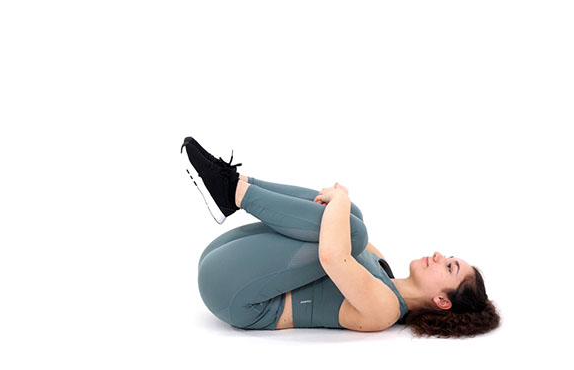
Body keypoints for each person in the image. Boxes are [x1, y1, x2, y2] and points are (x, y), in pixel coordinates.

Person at [182, 137, 500, 337]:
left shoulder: (386, 310)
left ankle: (232, 192)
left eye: (449, 267)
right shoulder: (381, 263)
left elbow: (332, 256)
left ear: (442, 301)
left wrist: (340, 200)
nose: (439, 256)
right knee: (352, 221)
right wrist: (341, 205)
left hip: (237, 295)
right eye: (448, 259)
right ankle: (236, 183)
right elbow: (329, 227)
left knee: (352, 230)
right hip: (228, 258)